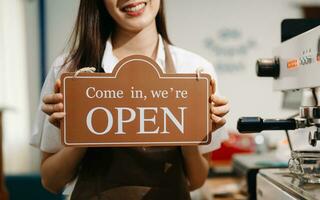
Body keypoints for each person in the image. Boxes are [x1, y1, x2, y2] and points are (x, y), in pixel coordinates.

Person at [30, 0, 230, 199]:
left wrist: (191, 132)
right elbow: (51, 181)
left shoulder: (195, 71)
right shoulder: (69, 71)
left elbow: (197, 180)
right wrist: (82, 132)